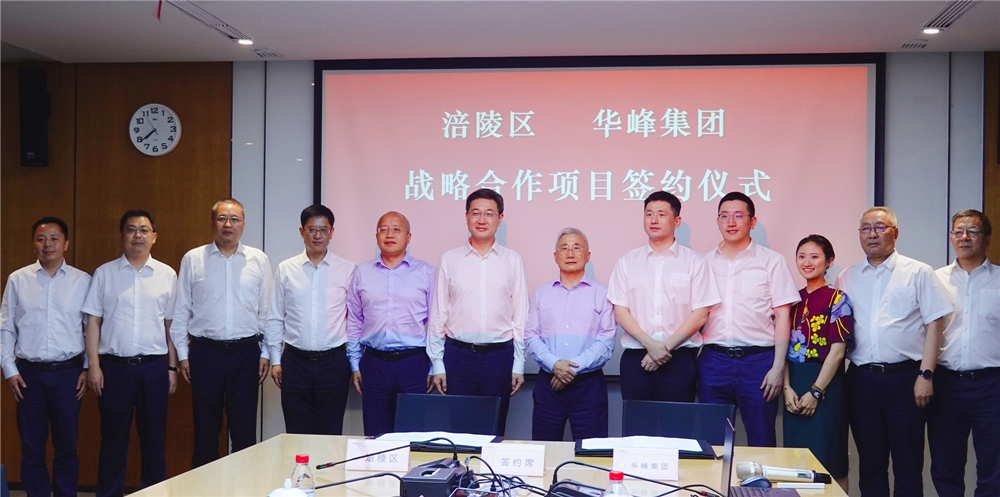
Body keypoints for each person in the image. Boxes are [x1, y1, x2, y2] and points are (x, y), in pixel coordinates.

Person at [836, 206, 951, 497]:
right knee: (870, 465)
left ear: (895, 233)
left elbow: (935, 324)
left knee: (908, 465)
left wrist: (926, 375)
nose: (872, 234)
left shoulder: (918, 272)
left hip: (907, 380)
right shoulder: (847, 277)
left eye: (880, 227)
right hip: (861, 380)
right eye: (865, 228)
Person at [83, 209, 178, 497]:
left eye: (144, 230)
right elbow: (93, 322)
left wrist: (172, 368)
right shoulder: (105, 273)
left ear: (154, 237)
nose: (138, 235)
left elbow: (171, 326)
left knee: (154, 442)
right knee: (112, 442)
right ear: (122, 235)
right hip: (114, 369)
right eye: (131, 229)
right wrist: (94, 366)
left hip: (154, 368)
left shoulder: (167, 274)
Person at [170, 198, 272, 467]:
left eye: (234, 219)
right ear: (212, 223)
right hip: (206, 353)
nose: (228, 224)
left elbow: (266, 313)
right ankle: (204, 487)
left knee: (244, 431)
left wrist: (266, 353)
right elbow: (181, 311)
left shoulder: (258, 260)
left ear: (243, 224)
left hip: (246, 354)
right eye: (222, 218)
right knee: (205, 431)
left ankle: (245, 486)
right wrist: (183, 355)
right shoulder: (193, 259)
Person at [700, 192, 799, 447]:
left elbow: (783, 316)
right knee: (711, 440)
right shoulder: (703, 263)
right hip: (714, 361)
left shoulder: (772, 261)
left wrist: (778, 367)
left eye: (738, 215)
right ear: (717, 221)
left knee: (762, 439)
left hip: (758, 362)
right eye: (724, 216)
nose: (731, 222)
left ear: (752, 221)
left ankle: (760, 478)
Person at [1, 217, 91, 497]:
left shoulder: (82, 281)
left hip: (69, 375)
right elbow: (6, 326)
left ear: (66, 243)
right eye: (41, 239)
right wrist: (9, 370)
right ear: (34, 244)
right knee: (32, 449)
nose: (47, 244)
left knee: (67, 447)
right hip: (29, 376)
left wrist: (88, 368)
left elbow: (91, 329)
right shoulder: (18, 279)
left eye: (54, 238)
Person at [427, 188, 528, 436]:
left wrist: (519, 363)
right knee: (459, 431)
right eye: (476, 213)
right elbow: (438, 314)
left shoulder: (512, 260)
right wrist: (437, 363)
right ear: (466, 217)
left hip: (499, 358)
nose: (482, 220)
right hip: (458, 357)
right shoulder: (449, 260)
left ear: (500, 219)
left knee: (494, 430)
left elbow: (520, 316)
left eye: (489, 214)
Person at [607, 191, 719, 403]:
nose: (654, 220)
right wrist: (651, 345)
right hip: (637, 359)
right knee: (636, 422)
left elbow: (700, 314)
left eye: (661, 214)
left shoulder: (695, 262)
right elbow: (621, 311)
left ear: (677, 221)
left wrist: (664, 348)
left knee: (677, 422)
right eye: (649, 214)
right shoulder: (627, 262)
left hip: (679, 359)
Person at [266, 204, 354, 435]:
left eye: (323, 230)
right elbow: (275, 317)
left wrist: (353, 363)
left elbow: (354, 320)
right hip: (295, 362)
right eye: (312, 229)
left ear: (332, 232)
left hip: (334, 362)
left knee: (330, 431)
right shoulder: (286, 269)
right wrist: (276, 360)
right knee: (296, 432)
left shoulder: (347, 270)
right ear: (301, 231)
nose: (317, 235)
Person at [929, 209, 999, 497]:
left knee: (994, 466)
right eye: (958, 231)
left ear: (987, 239)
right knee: (945, 464)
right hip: (946, 384)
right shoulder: (935, 279)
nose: (964, 237)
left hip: (992, 385)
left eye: (972, 231)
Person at [346, 211, 435, 436]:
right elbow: (354, 320)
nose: (389, 234)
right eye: (383, 229)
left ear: (408, 236)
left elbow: (436, 322)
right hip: (373, 363)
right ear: (376, 236)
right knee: (376, 435)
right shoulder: (362, 272)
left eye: (396, 229)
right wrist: (355, 363)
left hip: (413, 363)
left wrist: (434, 365)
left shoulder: (426, 272)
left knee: (412, 434)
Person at [525, 228, 617, 441]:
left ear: (588, 255)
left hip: (588, 386)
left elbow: (606, 341)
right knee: (544, 449)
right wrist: (555, 364)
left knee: (590, 452)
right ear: (555, 256)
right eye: (564, 248)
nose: (570, 253)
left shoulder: (603, 294)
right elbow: (531, 336)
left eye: (577, 248)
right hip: (548, 383)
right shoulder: (541, 294)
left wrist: (570, 369)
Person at [782, 235, 853, 493]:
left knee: (832, 462)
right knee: (795, 463)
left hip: (827, 386)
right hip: (794, 384)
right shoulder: (791, 300)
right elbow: (782, 348)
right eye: (802, 257)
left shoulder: (838, 299)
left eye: (815, 257)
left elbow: (837, 352)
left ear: (829, 261)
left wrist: (816, 391)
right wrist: (786, 388)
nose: (807, 262)